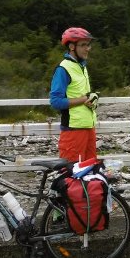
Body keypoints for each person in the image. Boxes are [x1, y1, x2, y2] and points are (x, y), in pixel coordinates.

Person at [49, 27, 99, 164]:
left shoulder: (82, 66)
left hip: (88, 127)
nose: (88, 48)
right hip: (73, 129)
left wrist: (91, 98)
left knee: (90, 172)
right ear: (71, 46)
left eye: (88, 45)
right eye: (83, 45)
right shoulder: (63, 69)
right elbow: (55, 101)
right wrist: (83, 99)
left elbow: (81, 94)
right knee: (70, 174)